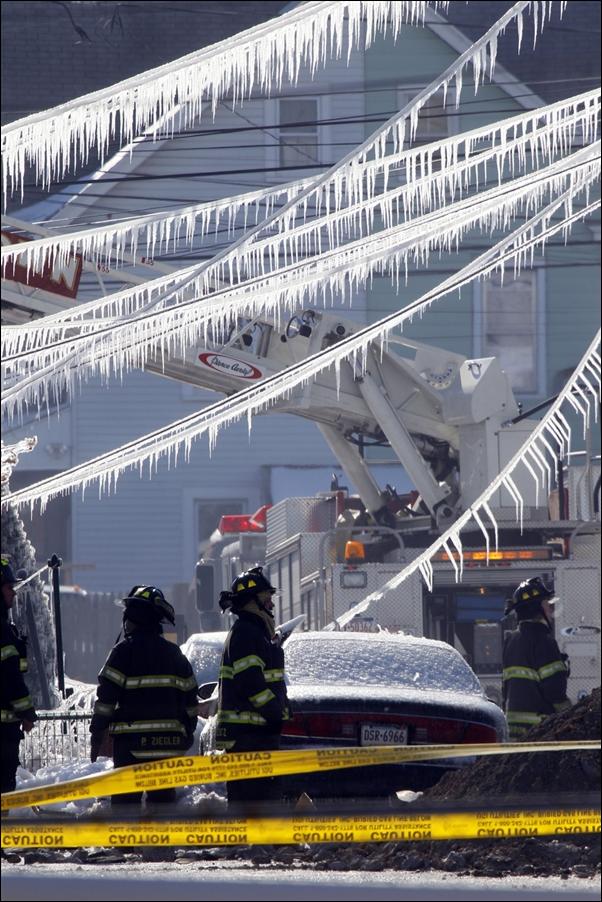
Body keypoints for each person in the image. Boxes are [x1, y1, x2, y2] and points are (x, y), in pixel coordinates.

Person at [89, 585, 198, 809]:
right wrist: (187, 732)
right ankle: (159, 833)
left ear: (135, 617)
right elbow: (190, 701)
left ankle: (128, 834)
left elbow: (106, 700)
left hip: (130, 746)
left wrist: (97, 733)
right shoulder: (175, 654)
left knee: (126, 806)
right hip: (168, 747)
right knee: (163, 807)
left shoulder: (122, 652)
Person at [216, 566, 290, 812]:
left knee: (256, 802)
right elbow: (251, 683)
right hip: (249, 736)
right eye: (267, 599)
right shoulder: (247, 633)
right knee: (254, 802)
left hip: (254, 734)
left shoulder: (254, 632)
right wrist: (274, 713)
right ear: (252, 602)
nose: (272, 604)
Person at [502, 576, 571, 740]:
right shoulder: (544, 641)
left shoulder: (511, 640)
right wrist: (570, 714)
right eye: (547, 604)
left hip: (514, 729)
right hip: (541, 729)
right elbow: (554, 689)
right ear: (536, 608)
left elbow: (506, 687)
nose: (550, 610)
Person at [1, 557, 37, 795]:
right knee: (4, 790)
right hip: (3, 733)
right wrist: (27, 713)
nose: (13, 593)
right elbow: (11, 677)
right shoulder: (3, 632)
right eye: (8, 587)